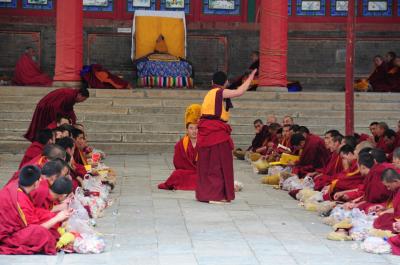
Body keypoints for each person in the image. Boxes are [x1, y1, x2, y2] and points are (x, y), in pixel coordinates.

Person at [196, 69, 257, 203]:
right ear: (226, 82)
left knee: (208, 165)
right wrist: (250, 78)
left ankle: (206, 193)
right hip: (216, 133)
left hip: (207, 131)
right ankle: (215, 195)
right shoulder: (219, 91)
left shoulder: (209, 93)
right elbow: (239, 92)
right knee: (218, 165)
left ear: (212, 82)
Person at [0, 165, 72, 255]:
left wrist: (54, 217)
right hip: (7, 236)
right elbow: (33, 229)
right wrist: (57, 218)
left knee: (47, 214)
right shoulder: (20, 199)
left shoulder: (18, 187)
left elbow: (34, 212)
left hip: (18, 224)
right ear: (36, 183)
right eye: (40, 180)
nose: (42, 182)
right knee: (41, 232)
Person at [24, 85, 89, 142]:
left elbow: (68, 108)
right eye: (83, 99)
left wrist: (73, 120)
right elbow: (56, 106)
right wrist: (60, 119)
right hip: (46, 106)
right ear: (80, 94)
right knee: (47, 124)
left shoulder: (73, 96)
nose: (82, 101)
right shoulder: (69, 95)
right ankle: (42, 140)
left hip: (51, 106)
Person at [158, 104, 201, 191]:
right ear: (187, 129)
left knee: (209, 176)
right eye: (191, 128)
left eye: (196, 128)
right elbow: (178, 163)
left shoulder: (205, 144)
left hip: (201, 173)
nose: (194, 131)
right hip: (186, 173)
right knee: (177, 174)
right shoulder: (180, 144)